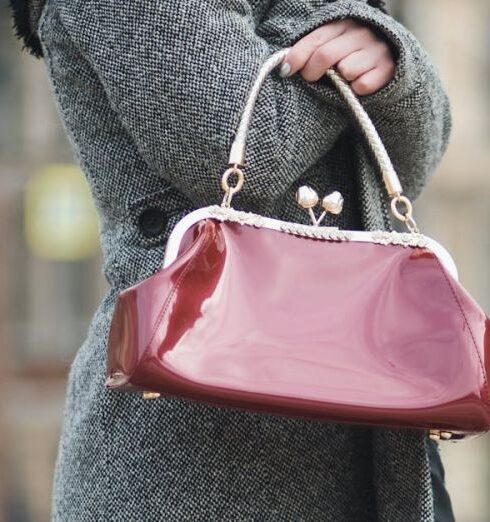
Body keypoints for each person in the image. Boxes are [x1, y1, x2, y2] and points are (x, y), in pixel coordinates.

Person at [10, 0, 455, 520]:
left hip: (383, 440)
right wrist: (328, 32)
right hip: (192, 457)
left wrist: (386, 57)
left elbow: (411, 165)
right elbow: (241, 145)